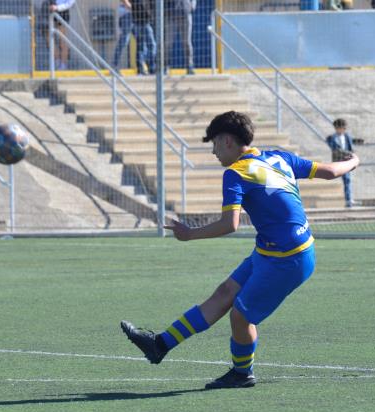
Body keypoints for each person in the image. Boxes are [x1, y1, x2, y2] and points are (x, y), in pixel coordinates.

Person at [121, 111, 360, 389]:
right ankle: (160, 345)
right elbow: (331, 172)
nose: (213, 152)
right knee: (225, 293)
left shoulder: (235, 173)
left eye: (214, 144)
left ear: (227, 141)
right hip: (274, 251)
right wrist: (354, 160)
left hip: (288, 260)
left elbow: (229, 224)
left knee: (240, 316)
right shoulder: (279, 157)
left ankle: (242, 373)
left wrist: (189, 234)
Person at [325, 118, 358, 208]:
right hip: (338, 162)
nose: (344, 129)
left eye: (345, 128)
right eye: (343, 128)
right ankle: (348, 199)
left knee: (347, 180)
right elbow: (335, 149)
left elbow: (350, 143)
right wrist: (348, 153)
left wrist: (359, 141)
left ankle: (348, 200)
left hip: (346, 161)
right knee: (346, 179)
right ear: (337, 128)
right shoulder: (332, 138)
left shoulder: (346, 136)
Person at [165, 0, 196, 74]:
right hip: (170, 15)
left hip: (185, 13)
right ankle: (165, 66)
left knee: (187, 42)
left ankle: (189, 66)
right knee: (167, 43)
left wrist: (192, 6)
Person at [46, 0, 76, 70]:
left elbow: (70, 3)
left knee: (62, 41)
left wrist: (58, 7)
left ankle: (63, 65)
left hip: (62, 12)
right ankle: (57, 61)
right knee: (49, 39)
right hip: (50, 9)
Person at [131, 0, 157, 75]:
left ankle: (150, 68)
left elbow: (152, 4)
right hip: (138, 22)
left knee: (149, 46)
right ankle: (143, 69)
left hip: (146, 21)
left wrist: (150, 14)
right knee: (143, 47)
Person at [112, 0, 134, 71]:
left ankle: (142, 67)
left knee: (143, 40)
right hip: (127, 13)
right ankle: (114, 66)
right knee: (123, 41)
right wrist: (132, 7)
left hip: (133, 13)